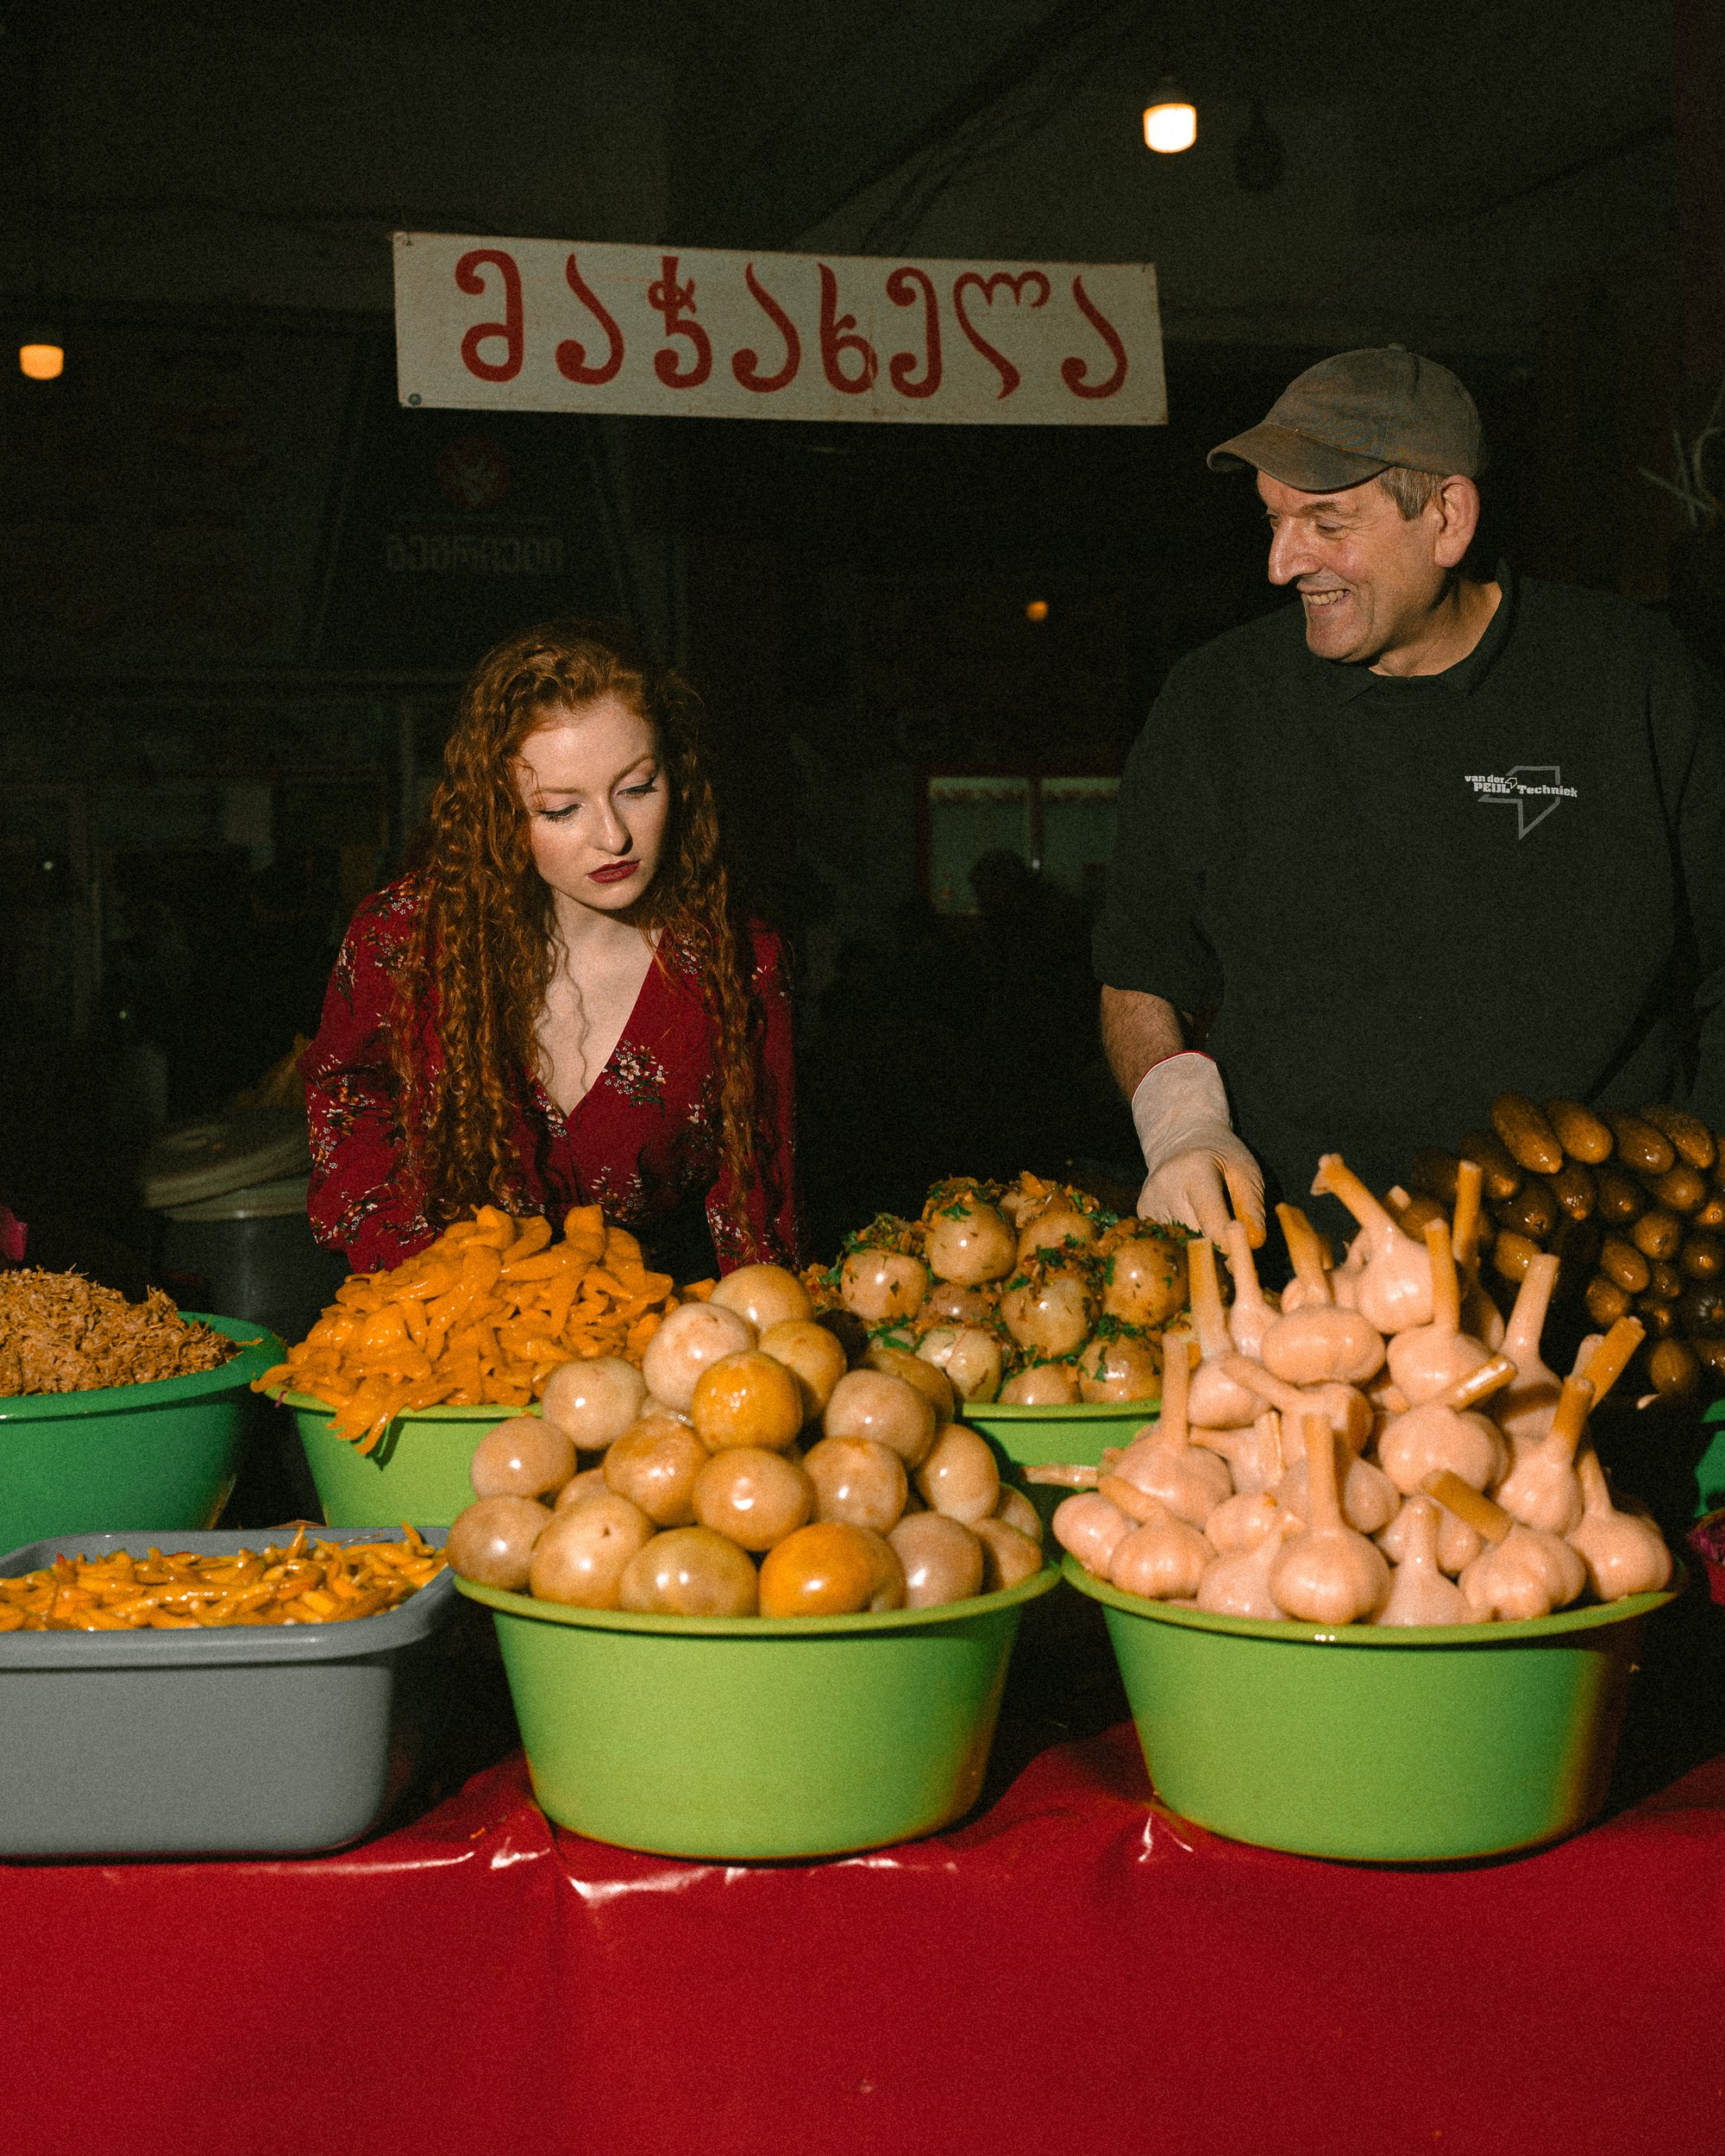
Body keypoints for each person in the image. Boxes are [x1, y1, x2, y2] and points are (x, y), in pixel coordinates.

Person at [1095, 345, 1725, 1245]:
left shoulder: (1634, 682)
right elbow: (1139, 972)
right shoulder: (1215, 704)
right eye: (1270, 521)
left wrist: (1703, 1199)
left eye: (1324, 522)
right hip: (1299, 1280)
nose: (1280, 564)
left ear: (1446, 517)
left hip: (1594, 1268)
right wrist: (1179, 1125)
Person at [302, 620, 800, 1279]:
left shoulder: (738, 960)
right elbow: (348, 1100)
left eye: (637, 787)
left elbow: (762, 1213)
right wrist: (419, 1268)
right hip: (445, 1330)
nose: (614, 837)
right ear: (499, 812)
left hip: (654, 1336)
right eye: (561, 809)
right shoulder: (404, 939)